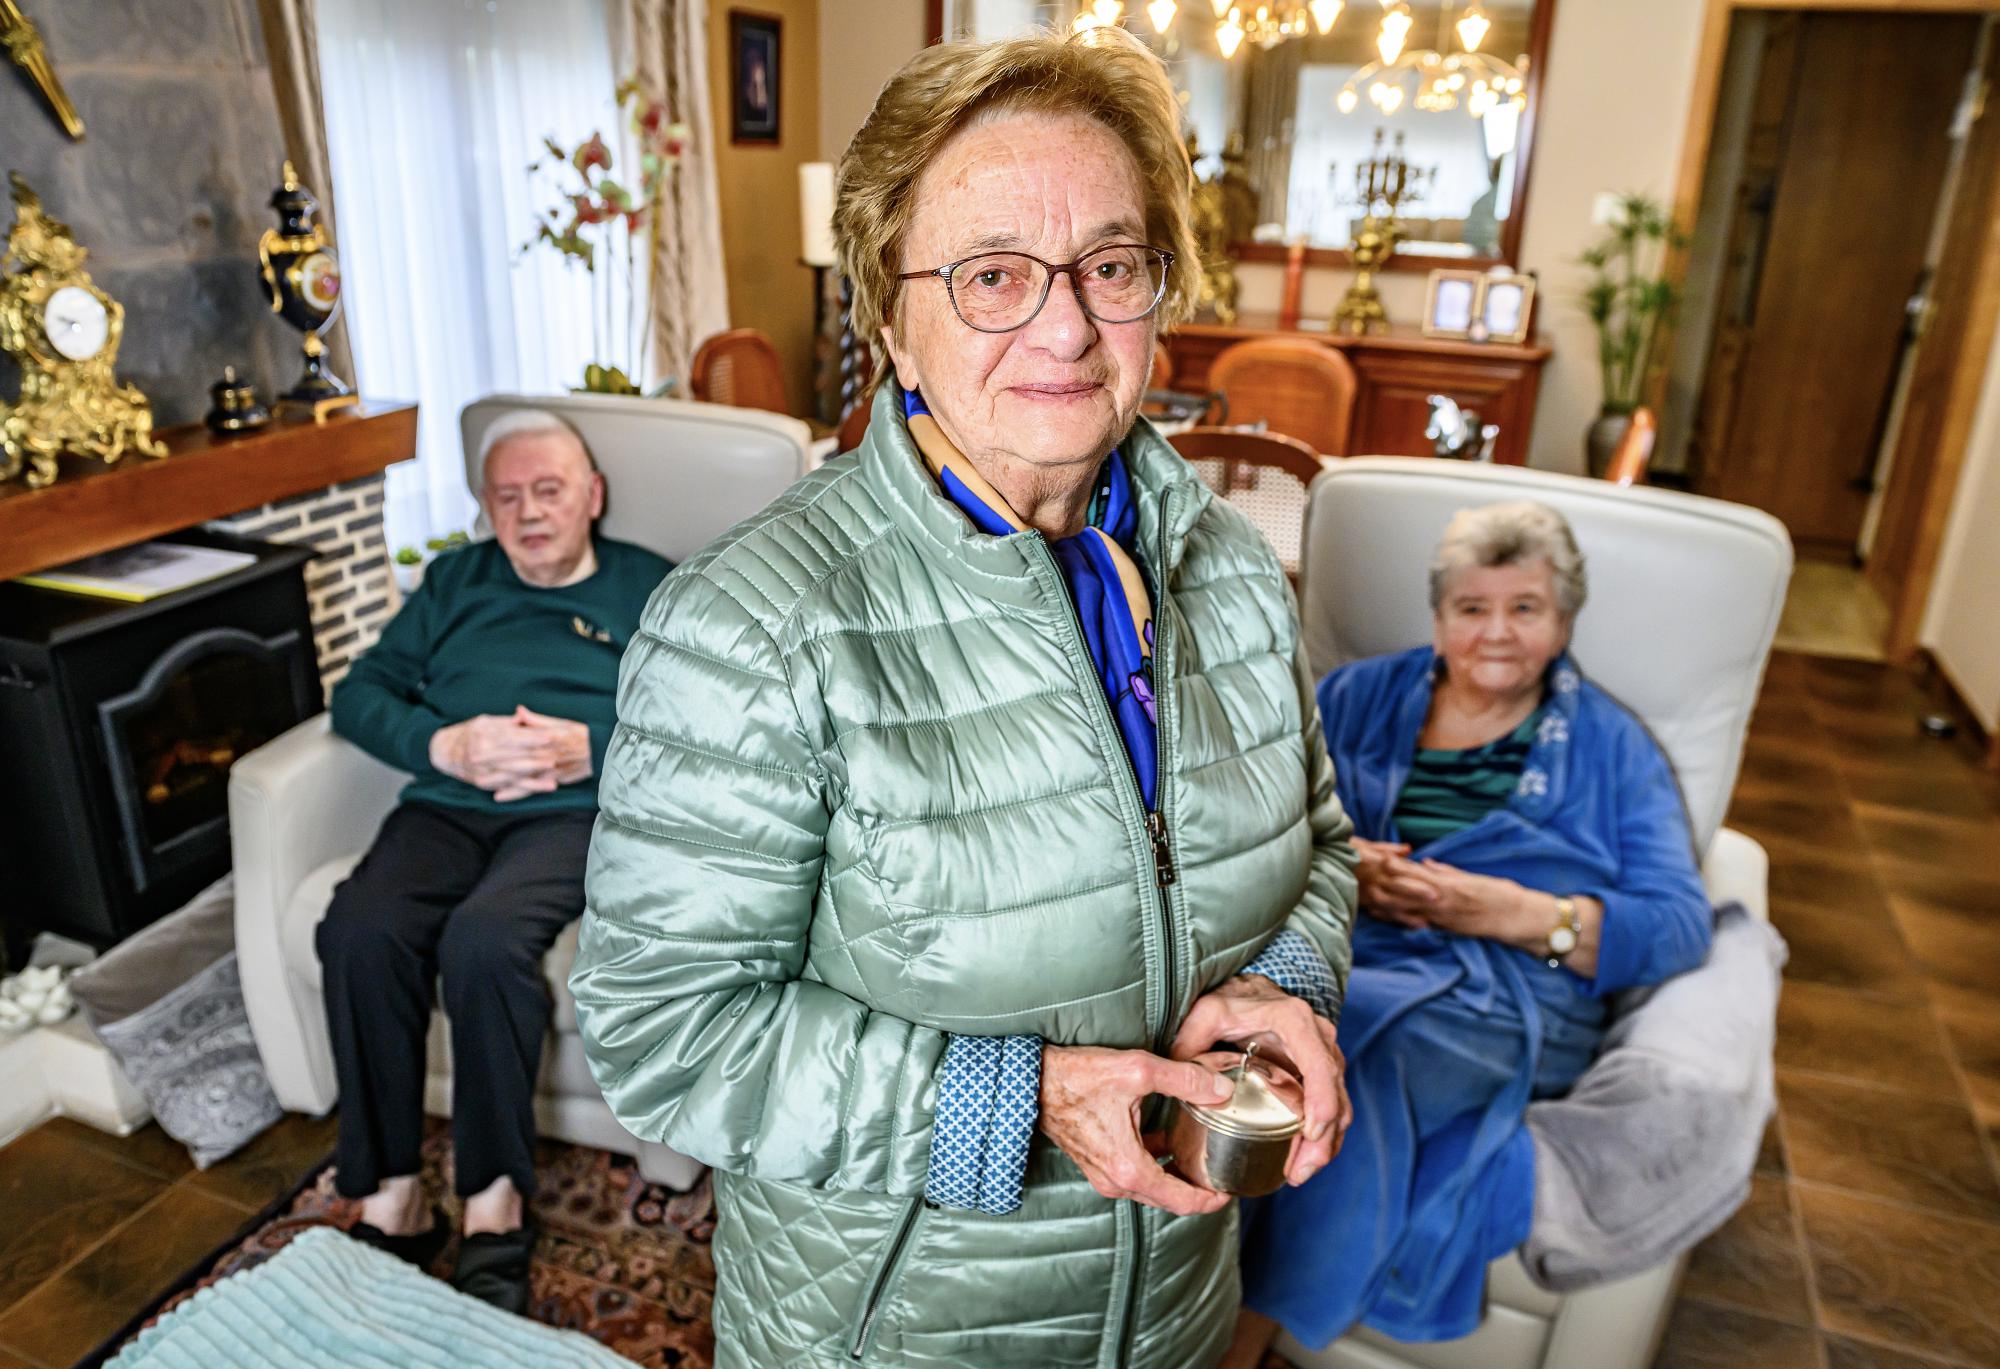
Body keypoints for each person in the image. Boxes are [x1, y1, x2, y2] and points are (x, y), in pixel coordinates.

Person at [567, 25, 1357, 1369]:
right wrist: (1020, 1101)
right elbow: (664, 1026)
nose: (1065, 323)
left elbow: (1325, 847)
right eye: (994, 275)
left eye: (1110, 265)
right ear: (895, 323)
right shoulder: (756, 624)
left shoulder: (1226, 564)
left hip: (1171, 1311)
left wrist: (1287, 983)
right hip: (893, 1335)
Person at [1225, 500, 1715, 1365]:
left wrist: (1499, 908)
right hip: (1353, 951)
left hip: (1505, 993)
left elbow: (1676, 925)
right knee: (1257, 1040)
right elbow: (1258, 821)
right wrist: (1344, 864)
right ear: (1440, 616)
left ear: (1563, 621)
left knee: (1349, 1062)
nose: (1497, 632)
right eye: (1472, 607)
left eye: (1525, 607)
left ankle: (1240, 1342)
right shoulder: (1358, 695)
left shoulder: (1612, 748)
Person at [317, 409, 671, 1313]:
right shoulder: (453, 582)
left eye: (549, 489)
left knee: (483, 941)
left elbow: (706, 719)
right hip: (447, 804)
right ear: (485, 507)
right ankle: (391, 1189)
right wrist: (441, 746)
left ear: (591, 496)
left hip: (572, 811)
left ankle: (493, 1198)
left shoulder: (649, 586)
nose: (529, 511)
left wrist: (596, 746)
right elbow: (360, 695)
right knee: (360, 927)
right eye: (506, 496)